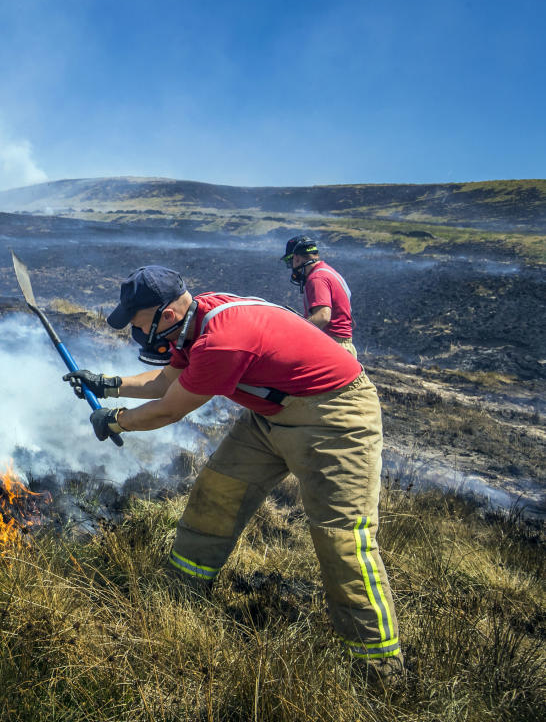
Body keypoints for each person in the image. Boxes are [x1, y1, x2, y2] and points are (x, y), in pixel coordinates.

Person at [63, 265, 403, 678]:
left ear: (166, 315)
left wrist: (115, 420)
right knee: (217, 491)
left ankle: (379, 666)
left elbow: (170, 408)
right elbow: (166, 380)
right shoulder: (198, 317)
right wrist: (106, 383)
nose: (137, 335)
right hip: (273, 414)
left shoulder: (220, 341)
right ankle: (181, 591)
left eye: (138, 325)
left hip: (335, 416)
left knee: (341, 538)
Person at [281, 235, 357, 357]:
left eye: (290, 262)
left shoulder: (317, 278)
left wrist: (294, 332)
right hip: (341, 344)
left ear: (296, 258)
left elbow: (323, 317)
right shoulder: (327, 271)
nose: (292, 268)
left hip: (333, 346)